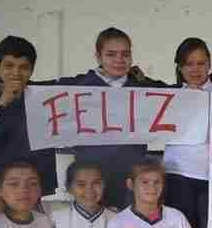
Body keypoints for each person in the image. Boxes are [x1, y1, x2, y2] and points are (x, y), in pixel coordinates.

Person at [56, 27, 168, 209]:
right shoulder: (77, 86)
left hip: (131, 179)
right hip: (92, 181)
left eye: (125, 54)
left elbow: (186, 92)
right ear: (98, 57)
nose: (119, 60)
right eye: (111, 54)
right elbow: (32, 90)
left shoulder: (144, 87)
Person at [0, 36, 57, 206]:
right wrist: (2, 104)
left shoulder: (44, 95)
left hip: (30, 191)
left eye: (23, 67)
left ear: (32, 70)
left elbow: (80, 86)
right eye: (9, 65)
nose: (16, 73)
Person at [163, 37, 212, 228]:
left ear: (210, 64)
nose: (195, 69)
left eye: (201, 63)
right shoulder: (169, 94)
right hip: (178, 174)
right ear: (180, 67)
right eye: (189, 64)